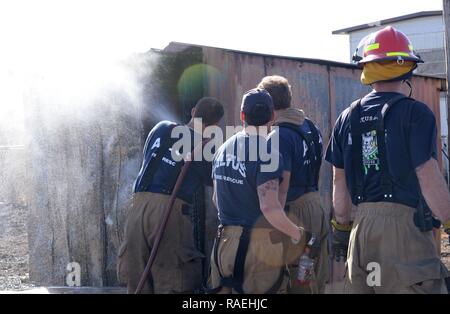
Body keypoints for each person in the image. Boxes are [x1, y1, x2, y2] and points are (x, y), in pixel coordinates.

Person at [325, 26, 450, 294]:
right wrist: (448, 220)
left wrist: (342, 228)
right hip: (405, 231)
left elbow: (339, 180)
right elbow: (427, 175)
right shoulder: (417, 114)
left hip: (363, 229)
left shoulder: (347, 117)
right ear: (406, 68)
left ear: (366, 69)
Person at [117, 97, 224, 294]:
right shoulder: (205, 148)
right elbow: (214, 179)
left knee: (137, 282)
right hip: (169, 212)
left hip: (137, 208)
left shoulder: (161, 127)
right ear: (215, 125)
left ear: (193, 112)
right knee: (173, 282)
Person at [208, 88, 308, 294]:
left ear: (242, 116)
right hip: (257, 248)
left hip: (224, 245)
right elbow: (269, 208)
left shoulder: (222, 149)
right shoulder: (268, 152)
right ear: (273, 116)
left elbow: (216, 199)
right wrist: (297, 234)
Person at [259, 75, 329, 294]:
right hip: (316, 206)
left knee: (300, 281)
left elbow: (282, 186)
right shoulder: (310, 126)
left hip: (294, 212)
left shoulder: (278, 136)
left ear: (268, 104)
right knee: (314, 274)